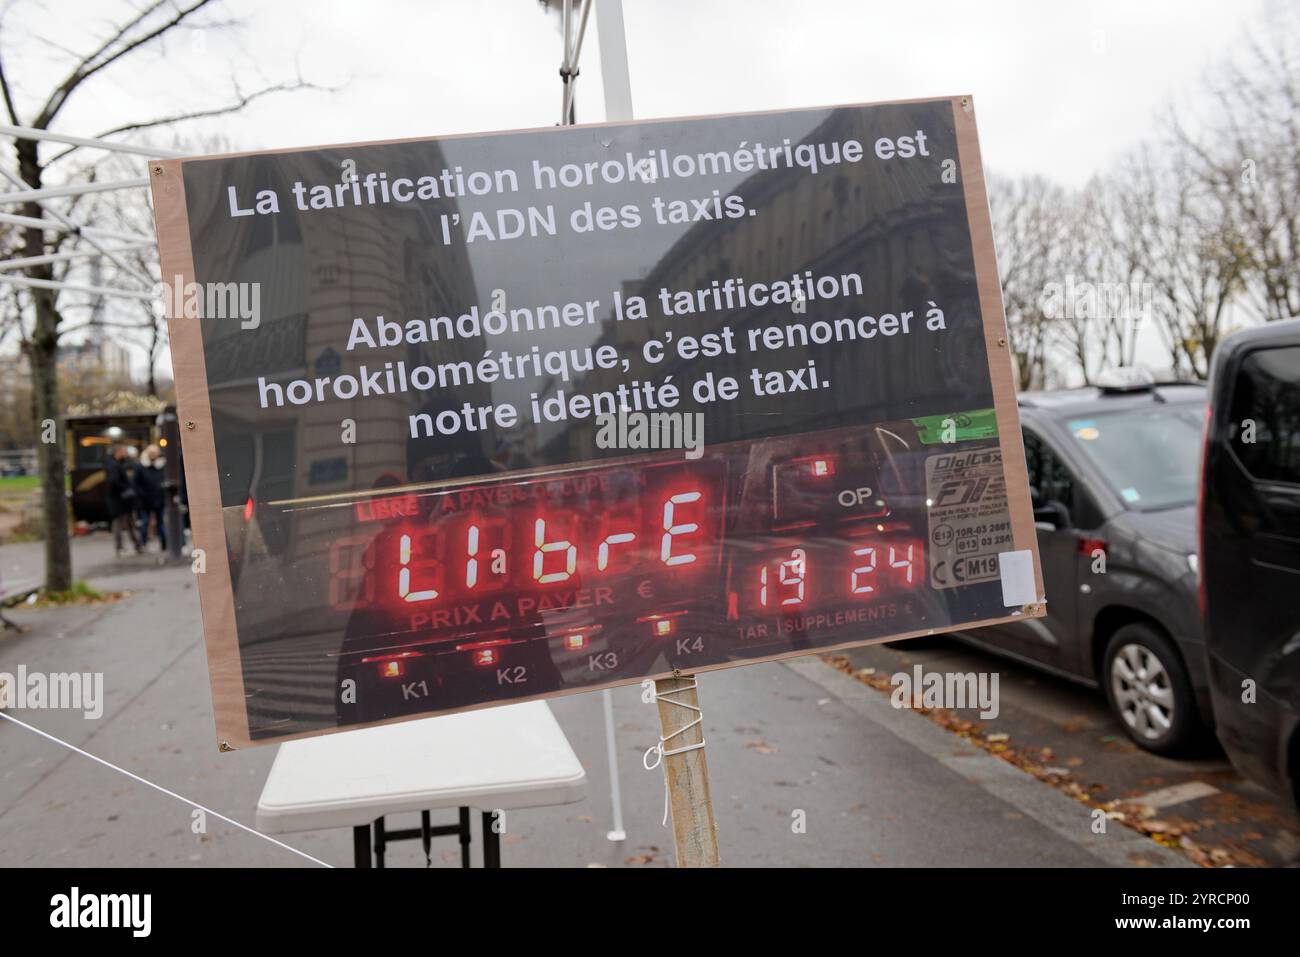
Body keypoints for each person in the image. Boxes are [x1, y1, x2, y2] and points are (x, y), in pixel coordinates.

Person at [106, 445, 141, 555]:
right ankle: (121, 547)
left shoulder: (117, 464)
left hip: (122, 500)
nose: (126, 453)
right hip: (120, 501)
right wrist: (126, 489)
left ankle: (136, 545)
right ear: (118, 451)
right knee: (121, 524)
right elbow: (114, 483)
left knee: (128, 523)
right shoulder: (114, 465)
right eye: (124, 451)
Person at [134, 444, 168, 552]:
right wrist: (142, 495)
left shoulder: (162, 465)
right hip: (145, 501)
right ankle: (143, 545)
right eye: (151, 453)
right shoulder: (140, 466)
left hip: (159, 500)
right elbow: (136, 484)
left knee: (161, 523)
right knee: (145, 523)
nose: (153, 455)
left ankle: (164, 545)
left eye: (155, 453)